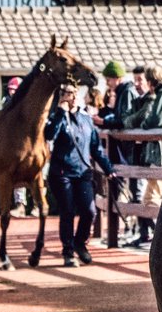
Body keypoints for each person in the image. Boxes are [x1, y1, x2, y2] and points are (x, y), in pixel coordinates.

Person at [44, 84, 115, 267]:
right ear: (62, 96)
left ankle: (80, 242)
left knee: (89, 211)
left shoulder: (85, 118)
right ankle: (68, 251)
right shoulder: (57, 117)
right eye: (68, 93)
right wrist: (61, 111)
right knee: (67, 211)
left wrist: (108, 168)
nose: (73, 96)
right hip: (62, 172)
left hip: (82, 171)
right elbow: (49, 134)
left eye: (75, 92)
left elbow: (95, 147)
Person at [120, 64, 162, 248]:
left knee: (151, 199)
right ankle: (160, 236)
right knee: (158, 196)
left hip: (159, 153)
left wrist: (143, 124)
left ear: (151, 82)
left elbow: (152, 121)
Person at [0, 76, 30, 217]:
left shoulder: (27, 102)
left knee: (37, 175)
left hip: (26, 143)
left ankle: (38, 205)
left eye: (15, 90)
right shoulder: (6, 101)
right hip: (11, 143)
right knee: (13, 174)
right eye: (11, 90)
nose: (12, 93)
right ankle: (19, 205)